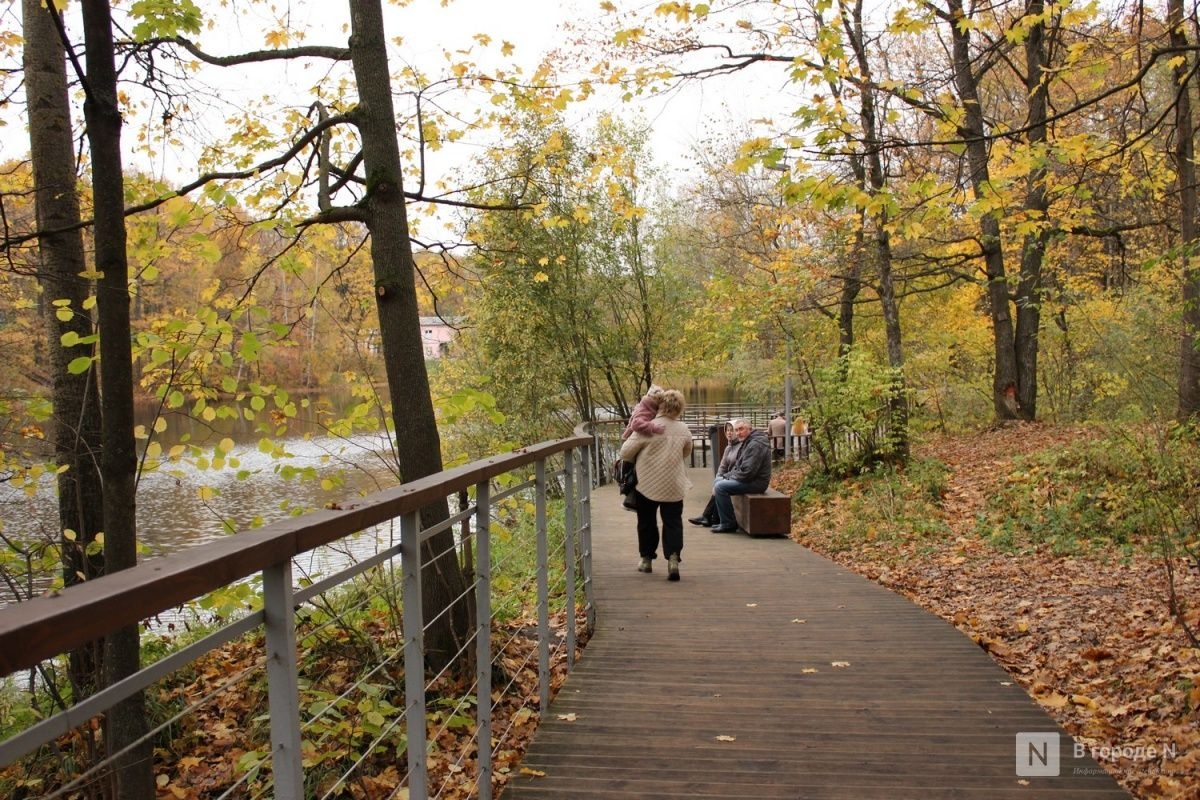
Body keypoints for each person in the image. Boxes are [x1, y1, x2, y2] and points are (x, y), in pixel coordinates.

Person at [618, 389, 693, 581]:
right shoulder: (684, 429)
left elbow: (625, 453)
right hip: (674, 484)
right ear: (679, 408)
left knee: (646, 522)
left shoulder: (648, 427)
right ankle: (673, 558)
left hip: (647, 483)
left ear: (659, 405)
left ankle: (646, 559)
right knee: (673, 522)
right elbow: (686, 452)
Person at [709, 418, 772, 533]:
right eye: (736, 430)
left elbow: (748, 472)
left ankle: (728, 523)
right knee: (718, 481)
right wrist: (727, 476)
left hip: (757, 482)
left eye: (741, 429)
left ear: (750, 429)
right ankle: (717, 519)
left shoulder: (755, 444)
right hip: (749, 479)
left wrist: (728, 477)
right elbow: (739, 466)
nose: (738, 433)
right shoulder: (748, 441)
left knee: (721, 487)